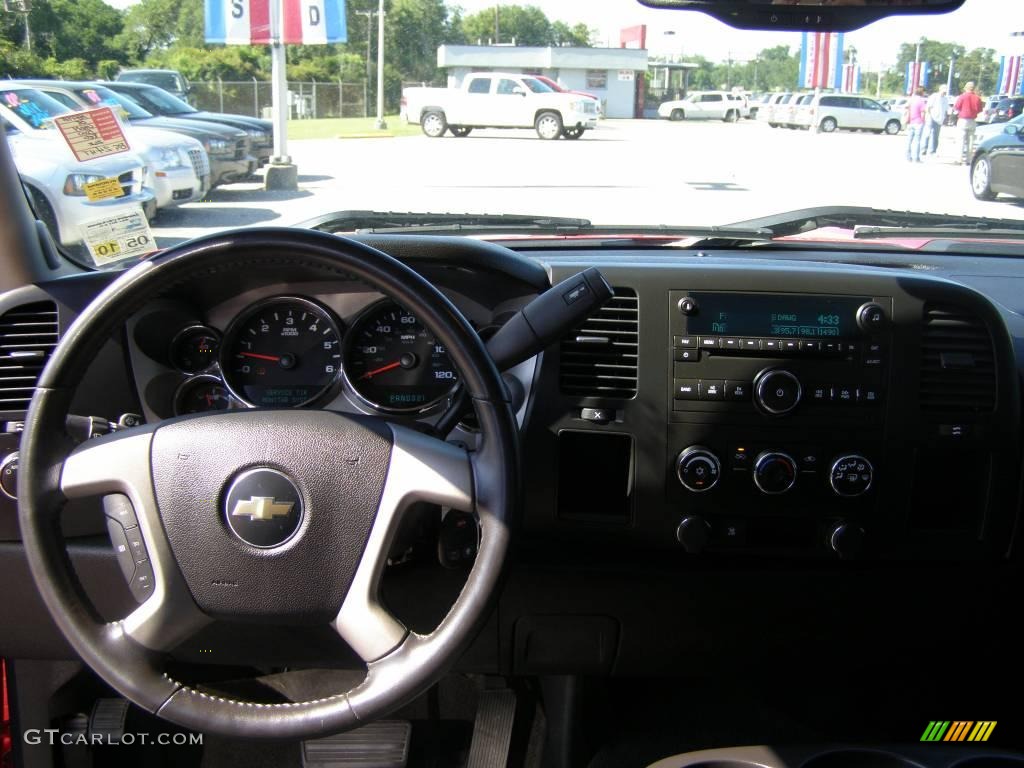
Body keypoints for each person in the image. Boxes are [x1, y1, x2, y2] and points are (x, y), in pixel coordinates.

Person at [953, 81, 984, 164]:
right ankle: (968, 160)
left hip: (963, 120)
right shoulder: (977, 98)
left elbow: (956, 107)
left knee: (960, 140)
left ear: (966, 88)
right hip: (972, 120)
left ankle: (959, 159)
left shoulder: (962, 97)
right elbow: (980, 109)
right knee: (970, 141)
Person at [922, 84, 949, 156]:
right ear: (940, 90)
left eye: (945, 92)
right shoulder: (934, 96)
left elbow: (946, 110)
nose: (944, 93)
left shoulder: (945, 99)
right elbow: (928, 107)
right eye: (943, 91)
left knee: (936, 135)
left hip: (939, 119)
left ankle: (933, 151)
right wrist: (928, 116)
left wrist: (945, 119)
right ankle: (924, 149)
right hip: (931, 117)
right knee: (927, 134)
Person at [906, 87, 927, 163]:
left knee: (909, 140)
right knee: (917, 141)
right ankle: (916, 158)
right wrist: (923, 121)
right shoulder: (921, 101)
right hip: (918, 122)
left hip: (911, 121)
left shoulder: (911, 99)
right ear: (922, 93)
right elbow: (923, 112)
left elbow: (907, 108)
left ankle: (908, 157)